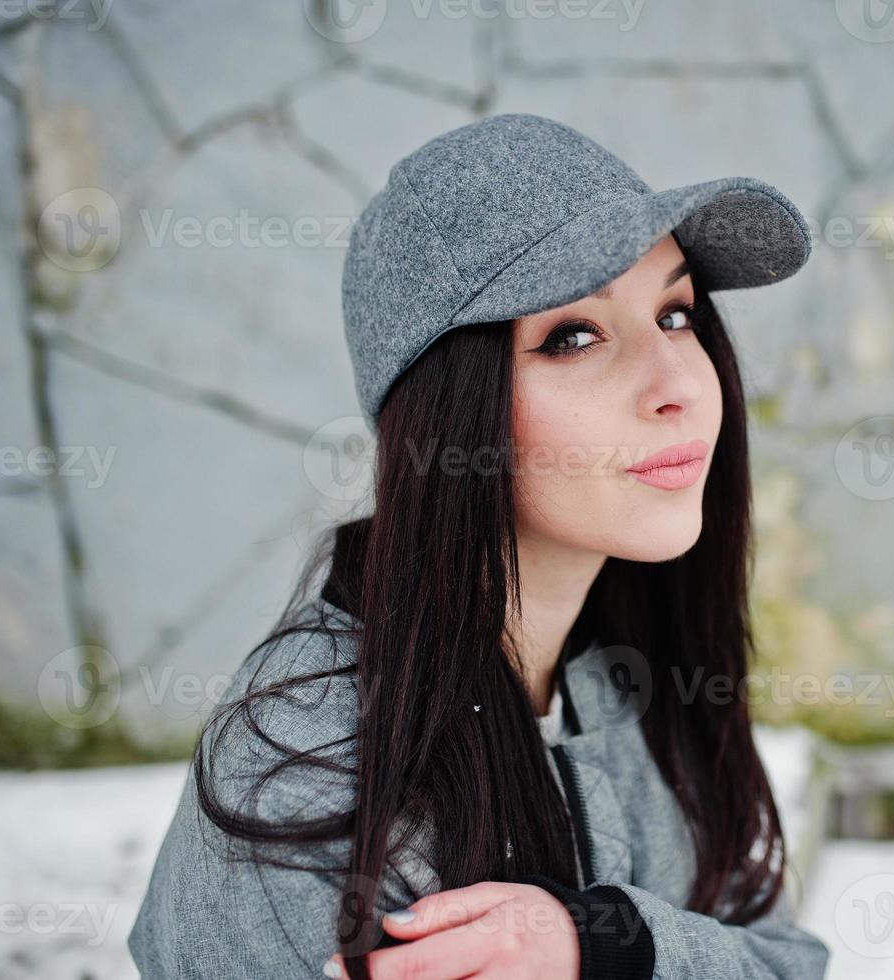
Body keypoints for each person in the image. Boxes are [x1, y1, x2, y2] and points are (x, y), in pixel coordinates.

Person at [127, 112, 829, 980]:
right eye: (573, 336)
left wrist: (610, 945)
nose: (680, 383)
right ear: (449, 412)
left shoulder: (641, 668)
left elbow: (786, 961)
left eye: (676, 313)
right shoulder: (306, 765)